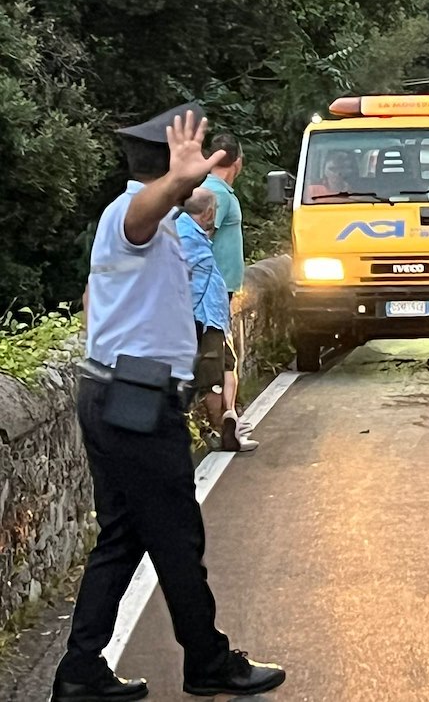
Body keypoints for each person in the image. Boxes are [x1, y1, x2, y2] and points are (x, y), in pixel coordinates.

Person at [52, 104, 284, 701]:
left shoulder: (146, 228)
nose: (204, 176)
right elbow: (142, 215)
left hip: (116, 394)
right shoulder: (135, 218)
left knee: (125, 534)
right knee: (177, 538)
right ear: (168, 170)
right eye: (193, 167)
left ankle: (80, 670)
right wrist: (178, 181)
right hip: (134, 401)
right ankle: (208, 662)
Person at [179, 188, 258, 453]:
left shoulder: (187, 231)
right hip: (202, 318)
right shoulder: (186, 234)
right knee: (213, 378)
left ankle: (230, 420)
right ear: (210, 212)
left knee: (227, 366)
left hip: (211, 316)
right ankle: (221, 433)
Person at [202, 135, 244, 438]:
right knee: (221, 356)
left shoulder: (214, 190)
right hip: (212, 291)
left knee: (222, 355)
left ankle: (227, 416)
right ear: (237, 161)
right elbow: (202, 234)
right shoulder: (217, 195)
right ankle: (223, 421)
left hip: (215, 288)